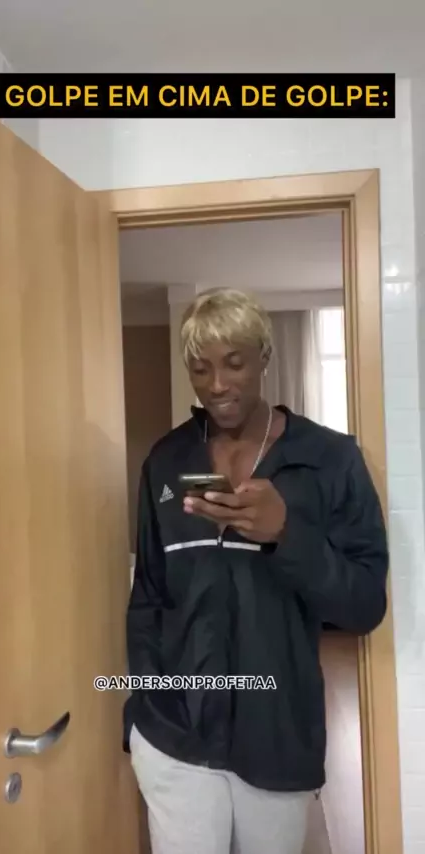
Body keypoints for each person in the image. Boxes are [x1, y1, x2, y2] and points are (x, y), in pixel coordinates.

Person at [123, 287, 389, 854]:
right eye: (200, 369)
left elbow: (365, 604)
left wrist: (287, 534)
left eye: (234, 363)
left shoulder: (330, 460)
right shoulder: (166, 462)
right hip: (174, 733)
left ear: (265, 357)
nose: (217, 384)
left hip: (277, 736)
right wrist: (142, 707)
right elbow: (147, 596)